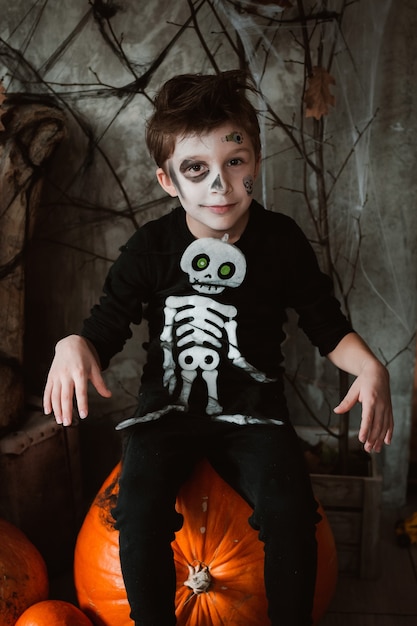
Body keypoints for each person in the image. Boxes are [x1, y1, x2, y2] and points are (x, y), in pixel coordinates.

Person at [43, 70, 393, 626]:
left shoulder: (280, 242)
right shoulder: (151, 248)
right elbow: (106, 324)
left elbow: (327, 328)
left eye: (235, 162)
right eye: (195, 169)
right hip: (167, 410)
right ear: (167, 181)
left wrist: (371, 366)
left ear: (255, 161)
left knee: (292, 514)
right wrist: (74, 343)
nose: (220, 187)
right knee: (134, 513)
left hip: (254, 414)